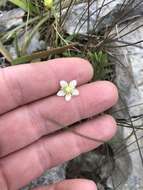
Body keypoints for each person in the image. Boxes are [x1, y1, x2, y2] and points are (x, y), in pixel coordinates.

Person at [0, 58, 118, 190]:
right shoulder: (65, 90)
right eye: (67, 88)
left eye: (69, 88)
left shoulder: (68, 90)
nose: (68, 88)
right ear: (66, 88)